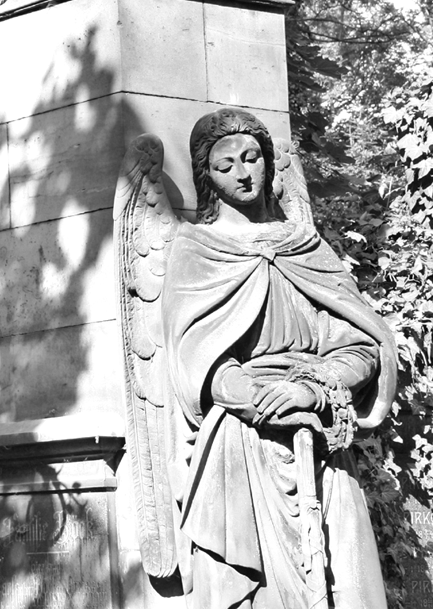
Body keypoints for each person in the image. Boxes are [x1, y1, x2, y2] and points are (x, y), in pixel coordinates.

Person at [163, 108, 392, 608]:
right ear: (207, 175)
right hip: (244, 445)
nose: (244, 174)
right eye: (226, 166)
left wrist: (312, 388)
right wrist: (257, 397)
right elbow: (195, 360)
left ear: (269, 161)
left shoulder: (304, 245)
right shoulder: (197, 249)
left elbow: (361, 343)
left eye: (253, 159)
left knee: (347, 585)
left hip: (322, 438)